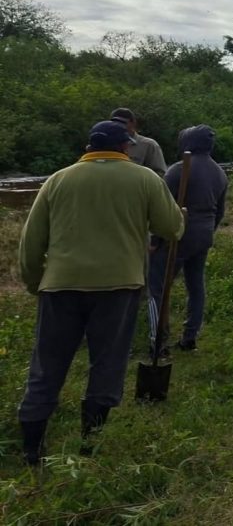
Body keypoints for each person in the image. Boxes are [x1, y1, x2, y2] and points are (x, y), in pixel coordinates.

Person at [17, 120, 184, 465]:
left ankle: (32, 450)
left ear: (89, 147)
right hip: (118, 286)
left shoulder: (57, 180)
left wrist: (35, 283)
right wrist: (178, 216)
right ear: (126, 147)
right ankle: (89, 444)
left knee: (47, 365)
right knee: (107, 362)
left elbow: (31, 243)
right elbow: (171, 228)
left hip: (60, 286)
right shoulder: (145, 179)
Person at [147, 125, 228, 354]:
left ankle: (157, 340)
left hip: (179, 233)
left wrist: (155, 240)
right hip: (204, 234)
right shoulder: (219, 172)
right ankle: (190, 336)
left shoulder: (179, 170)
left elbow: (163, 209)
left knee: (156, 286)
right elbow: (220, 211)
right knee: (195, 285)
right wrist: (208, 231)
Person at [110, 107, 166, 175]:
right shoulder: (107, 143)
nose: (118, 126)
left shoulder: (148, 144)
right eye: (114, 123)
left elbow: (160, 173)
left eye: (123, 123)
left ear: (133, 123)